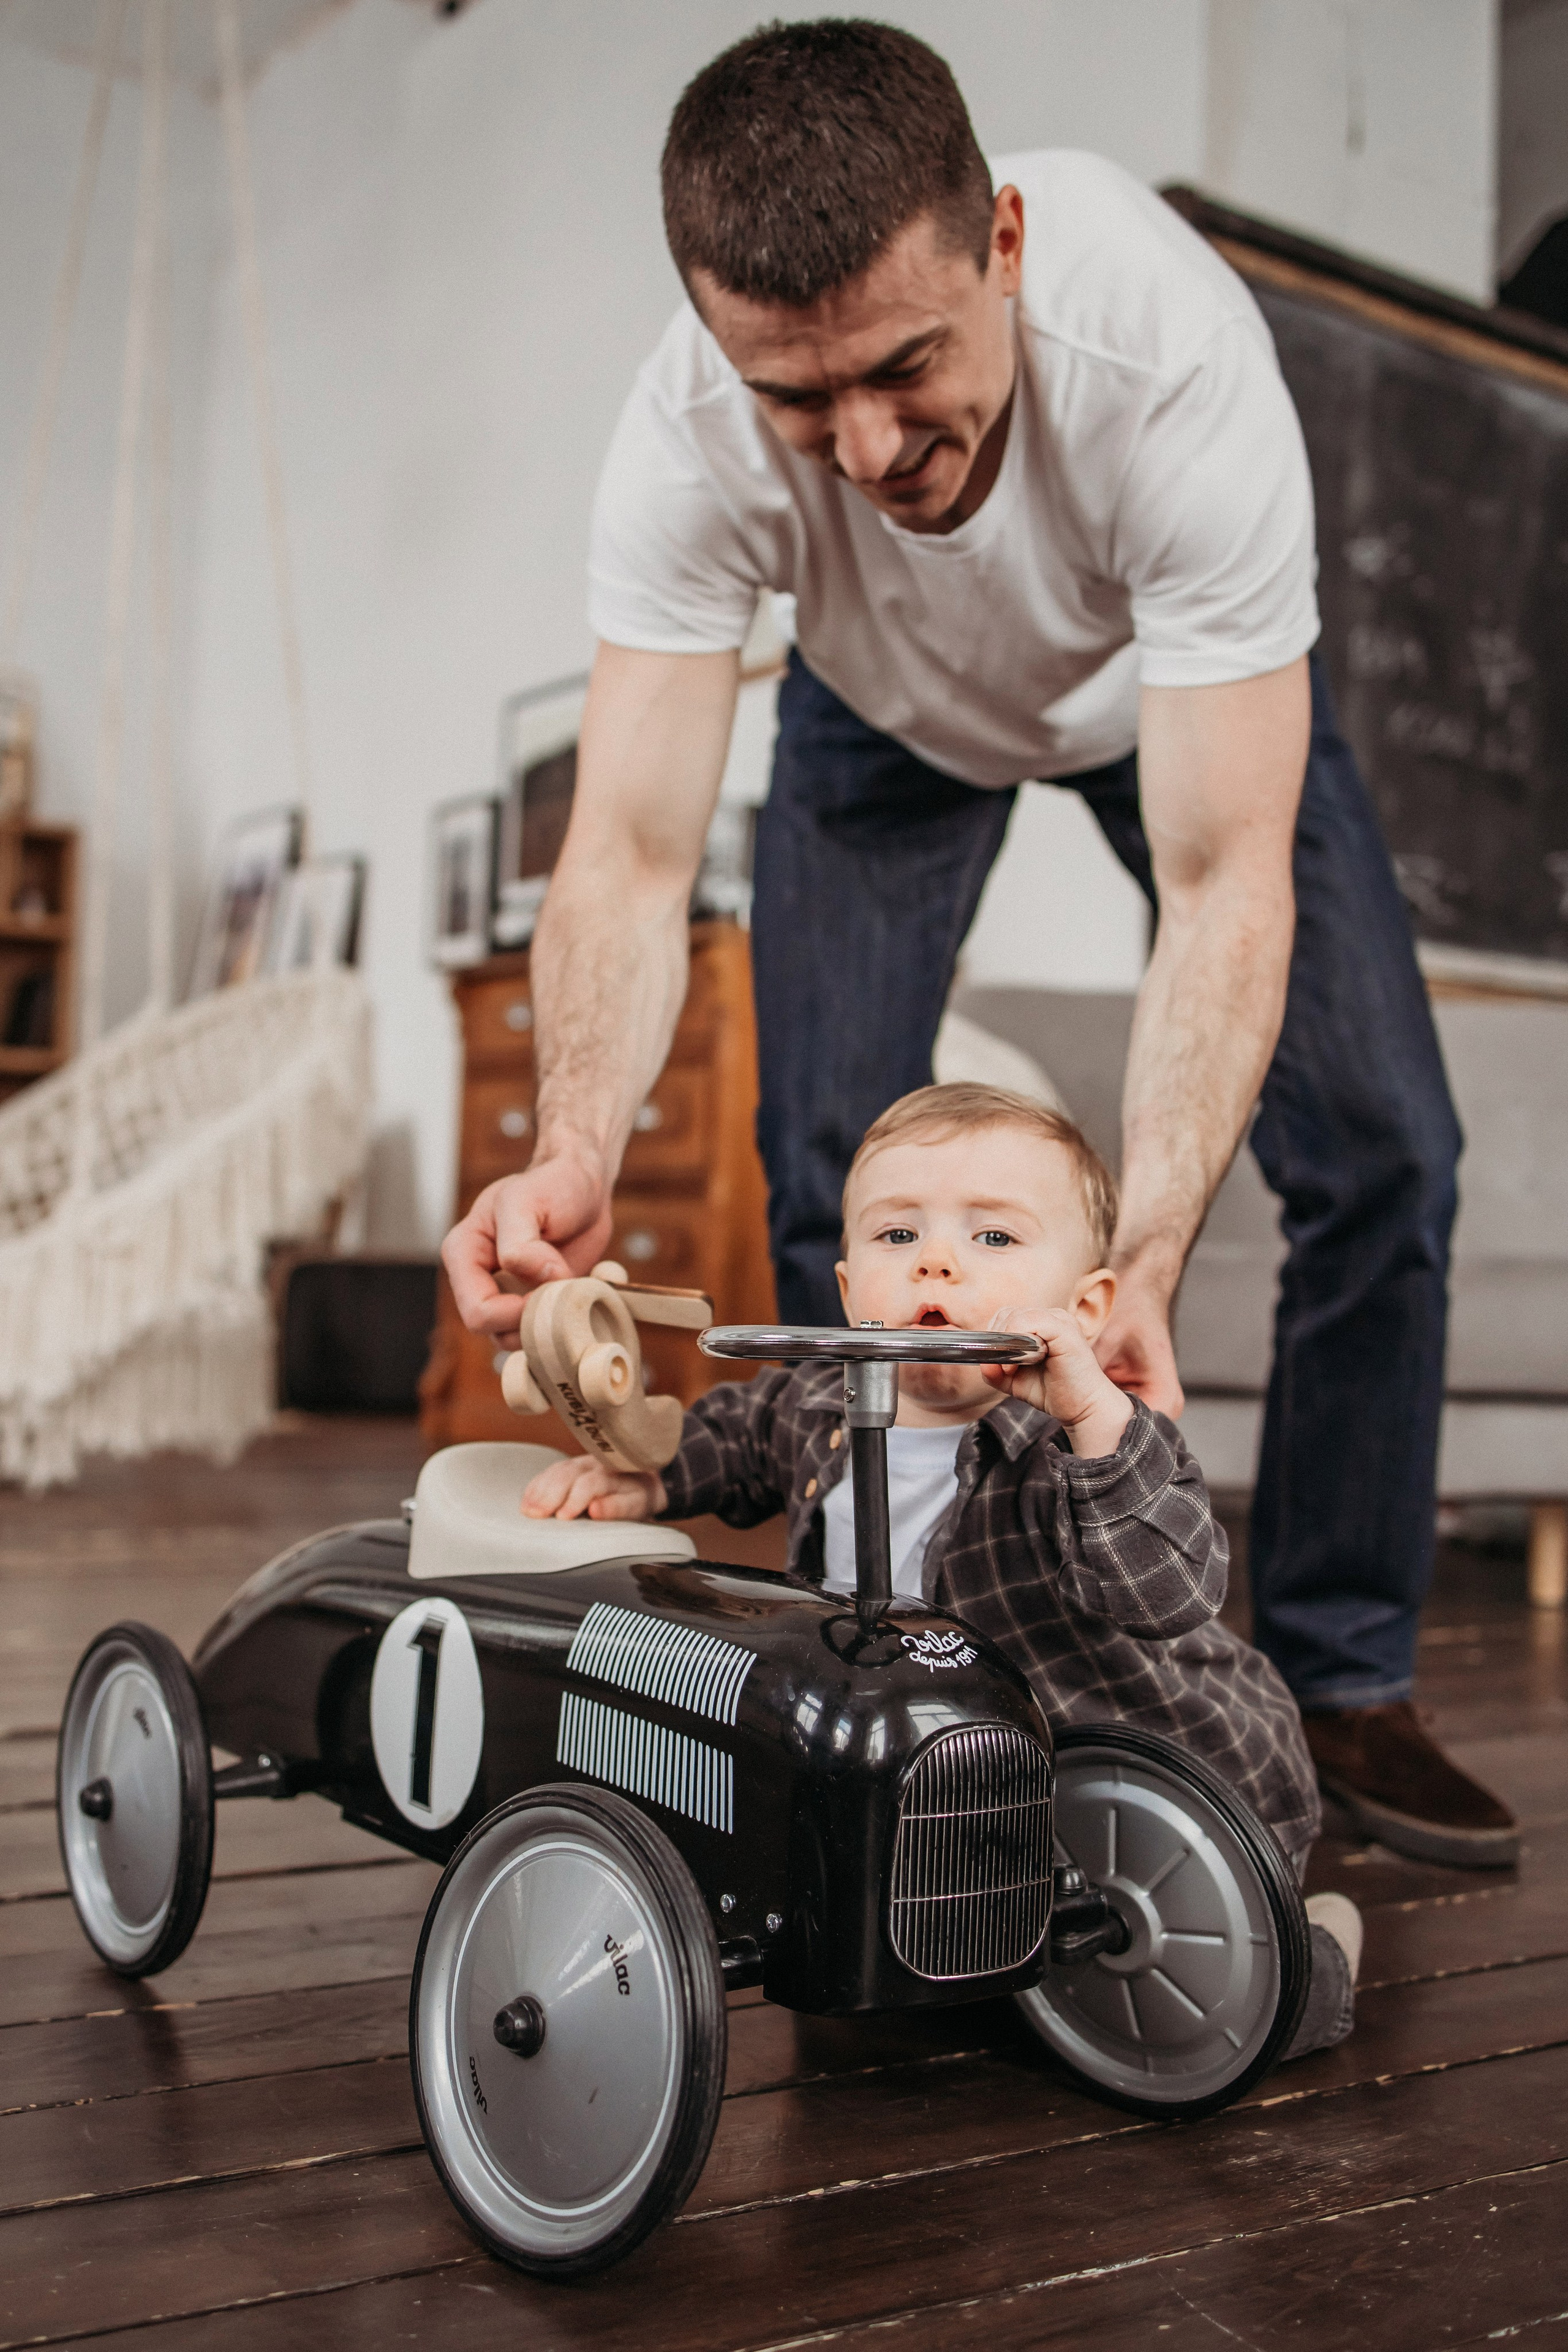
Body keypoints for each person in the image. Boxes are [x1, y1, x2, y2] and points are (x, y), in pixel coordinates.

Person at [442, 20, 1515, 1866]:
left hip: (1174, 711)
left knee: (1387, 1152)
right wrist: (571, 1148)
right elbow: (624, 850)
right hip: (879, 724)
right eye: (799, 400)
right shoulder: (685, 437)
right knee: (827, 1167)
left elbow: (1226, 876)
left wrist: (1146, 1256)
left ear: (1003, 241)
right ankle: (876, 1658)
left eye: (906, 366)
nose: (864, 449)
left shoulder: (1174, 364)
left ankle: (1344, 1682)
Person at [523, 1082, 1362, 2057]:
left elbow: (1168, 1590)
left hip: (1138, 1782)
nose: (936, 1259)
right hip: (946, 1791)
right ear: (846, 1294)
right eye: (895, 1236)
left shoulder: (1087, 1441)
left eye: (994, 1240)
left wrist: (1096, 1420)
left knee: (1224, 2020)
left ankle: (1322, 1943)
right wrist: (651, 1481)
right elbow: (734, 1440)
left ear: (1086, 1307)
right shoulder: (815, 1400)